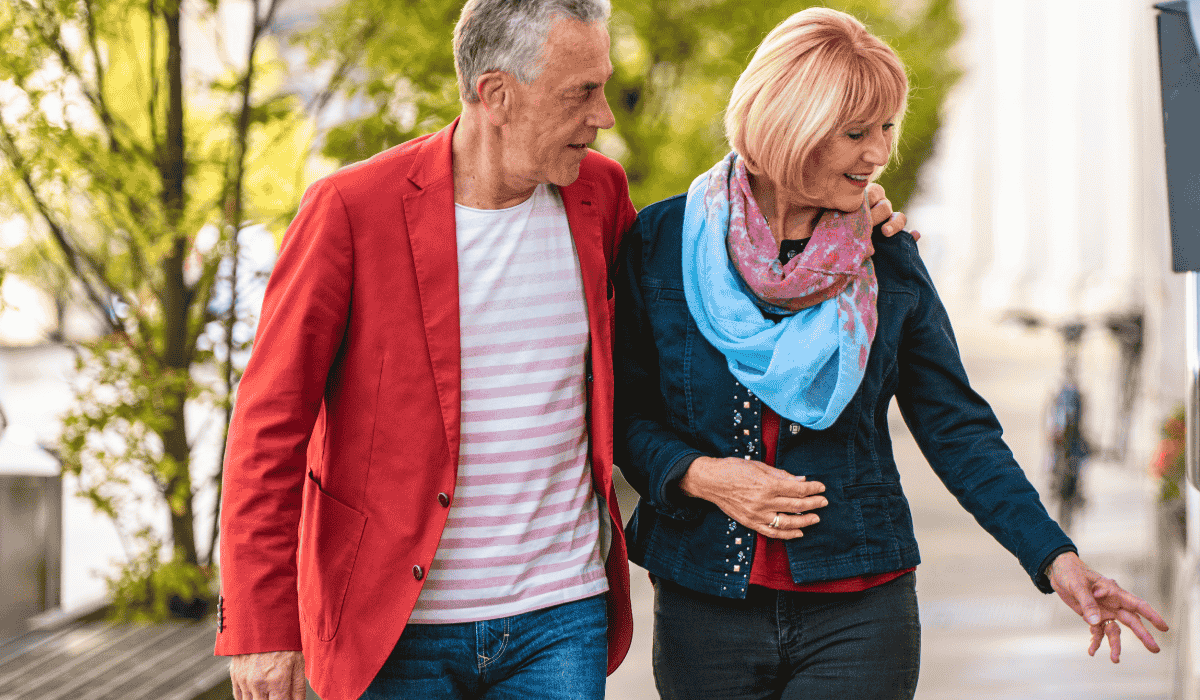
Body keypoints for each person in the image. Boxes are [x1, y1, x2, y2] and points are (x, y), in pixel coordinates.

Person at [215, 2, 908, 698]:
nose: (604, 115)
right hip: (396, 626)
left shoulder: (599, 197)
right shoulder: (350, 210)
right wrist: (260, 626)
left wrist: (846, 227)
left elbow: (706, 290)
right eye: (582, 92)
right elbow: (268, 429)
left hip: (559, 619)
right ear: (497, 95)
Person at [614, 8, 1169, 699]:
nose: (879, 153)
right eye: (855, 133)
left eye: (885, 128)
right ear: (791, 128)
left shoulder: (885, 258)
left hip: (859, 611)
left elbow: (956, 426)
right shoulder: (660, 244)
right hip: (706, 607)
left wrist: (1054, 555)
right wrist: (704, 476)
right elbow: (624, 413)